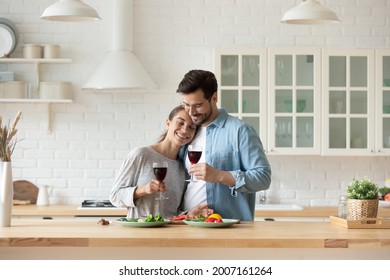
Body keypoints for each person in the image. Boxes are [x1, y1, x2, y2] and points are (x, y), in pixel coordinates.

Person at [176, 69, 272, 221]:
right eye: (186, 105)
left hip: (229, 227)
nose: (191, 112)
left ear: (214, 98)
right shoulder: (188, 131)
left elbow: (263, 177)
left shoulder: (240, 131)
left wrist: (220, 175)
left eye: (198, 105)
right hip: (189, 224)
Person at [110, 105, 208, 219]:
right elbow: (115, 196)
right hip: (141, 233)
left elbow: (172, 212)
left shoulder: (182, 167)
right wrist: (143, 189)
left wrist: (188, 214)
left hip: (170, 234)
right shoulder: (141, 155)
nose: (185, 130)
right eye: (180, 123)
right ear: (168, 123)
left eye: (191, 127)